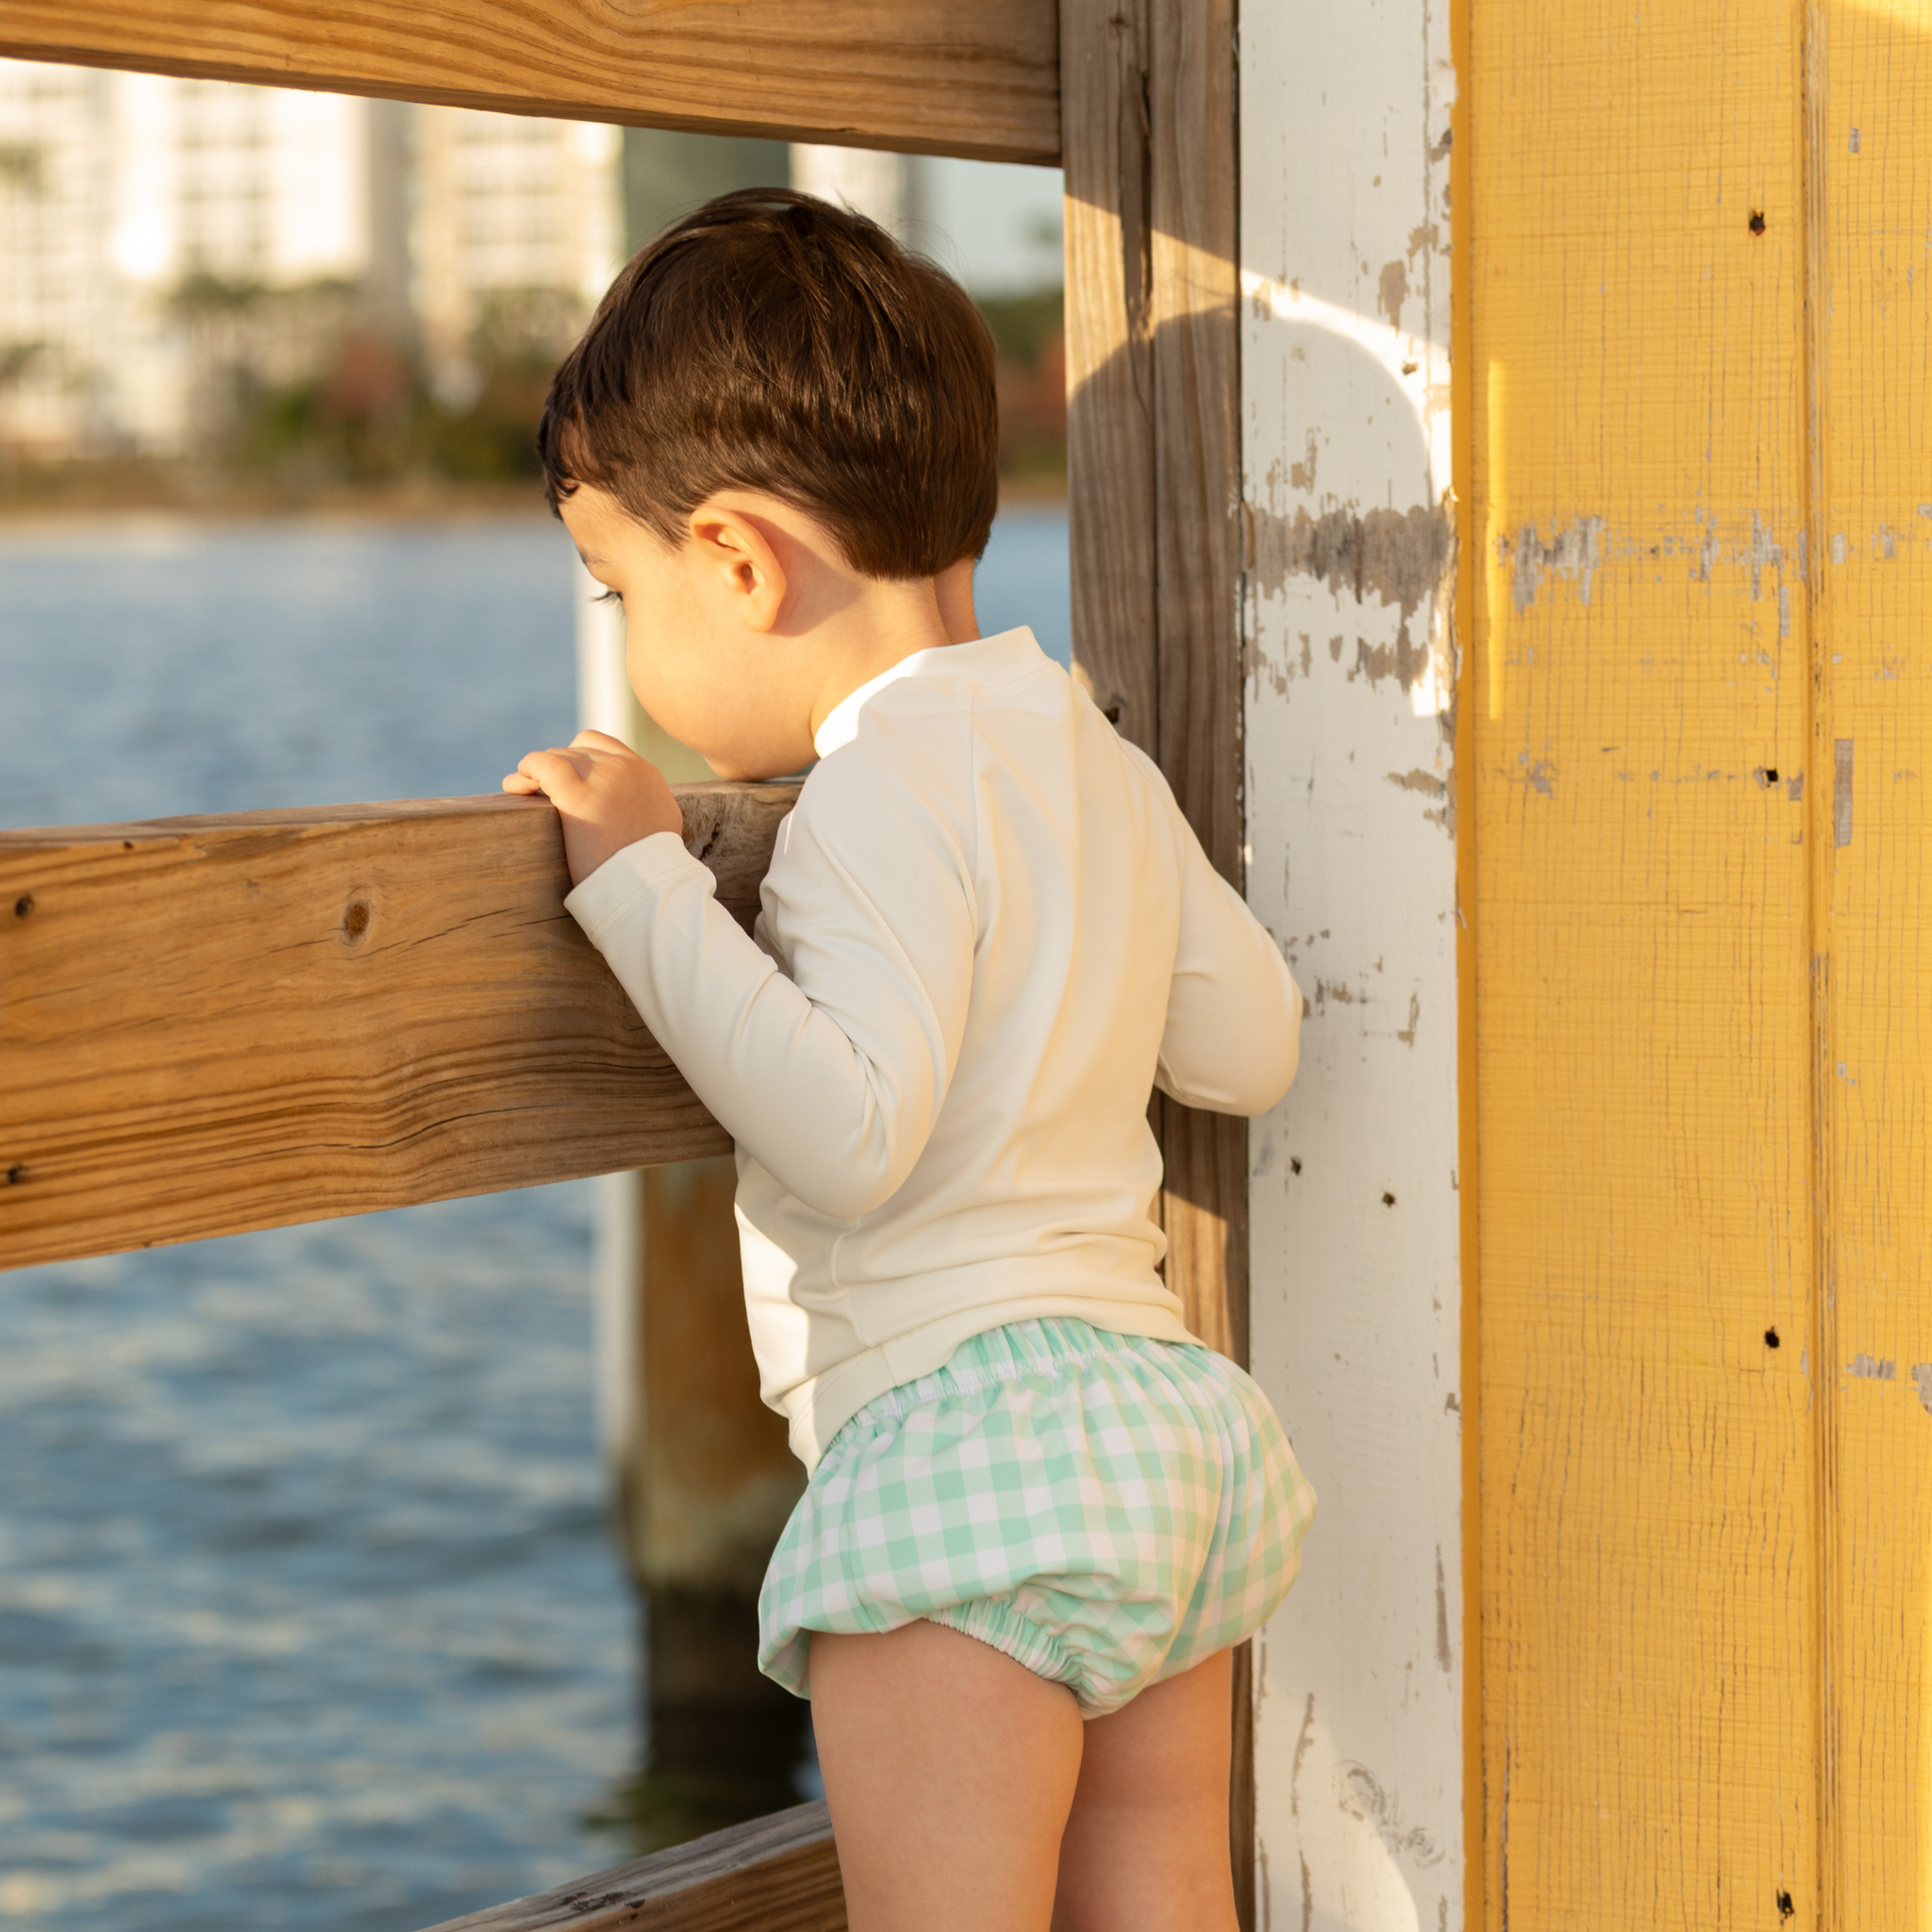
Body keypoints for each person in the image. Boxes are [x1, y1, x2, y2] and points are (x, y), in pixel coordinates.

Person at [505, 189, 1314, 1932]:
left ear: (737, 559)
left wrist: (641, 881)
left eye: (619, 587)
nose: (628, 640)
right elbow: (1247, 1047)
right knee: (1163, 1895)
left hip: (959, 1462)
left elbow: (853, 1133)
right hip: (1164, 1436)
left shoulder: (870, 795)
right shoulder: (1090, 754)